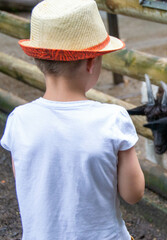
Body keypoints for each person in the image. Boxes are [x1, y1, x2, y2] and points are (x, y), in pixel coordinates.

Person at [0, 0, 145, 239]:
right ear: (91, 62)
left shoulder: (19, 121)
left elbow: (27, 181)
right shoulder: (112, 119)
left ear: (38, 61)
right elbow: (133, 193)